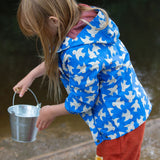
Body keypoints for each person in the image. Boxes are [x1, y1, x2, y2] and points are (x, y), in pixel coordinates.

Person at [13, 0, 152, 159]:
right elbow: (61, 56)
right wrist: (31, 75)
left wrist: (50, 111)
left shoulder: (78, 53)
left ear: (53, 21)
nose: (40, 36)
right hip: (131, 109)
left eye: (39, 31)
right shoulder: (86, 22)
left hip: (118, 125)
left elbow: (82, 101)